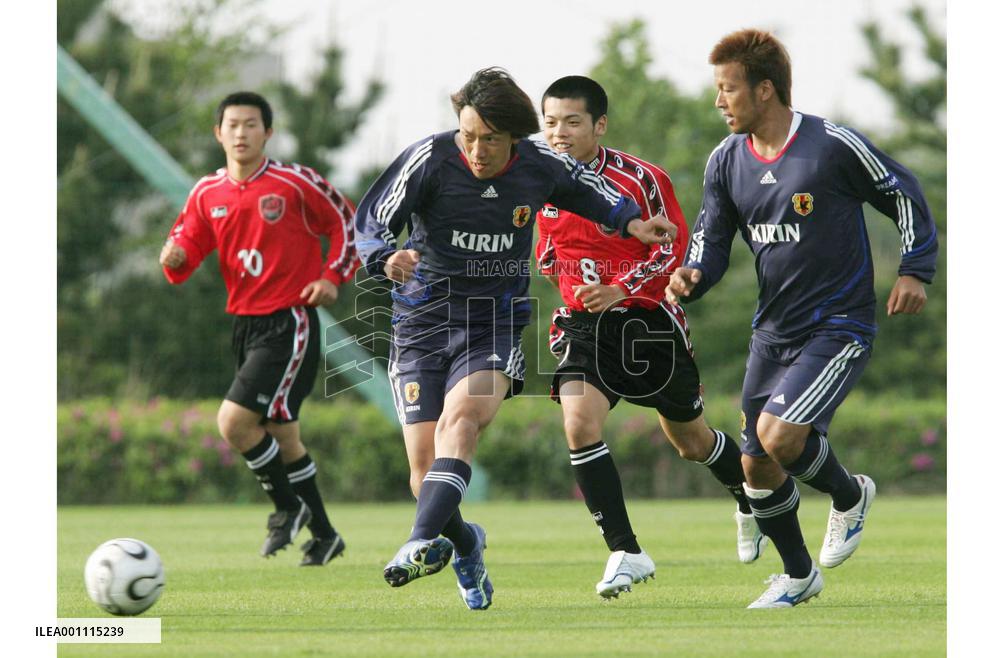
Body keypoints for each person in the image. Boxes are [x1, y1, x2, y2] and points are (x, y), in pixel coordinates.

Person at [354, 67, 675, 610]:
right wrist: (387, 257)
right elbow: (371, 221)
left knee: (462, 424)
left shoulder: (539, 166)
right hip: (421, 325)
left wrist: (631, 224)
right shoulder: (429, 160)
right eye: (469, 136)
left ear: (514, 139)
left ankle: (416, 541)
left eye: (492, 140)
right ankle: (466, 542)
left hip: (493, 322)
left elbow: (590, 191)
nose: (478, 150)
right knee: (421, 472)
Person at [666, 30, 938, 608]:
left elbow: (904, 192)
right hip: (773, 330)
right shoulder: (725, 160)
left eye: (728, 88)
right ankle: (797, 575)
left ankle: (848, 494)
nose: (719, 101)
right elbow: (711, 244)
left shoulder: (831, 145)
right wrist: (692, 276)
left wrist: (915, 269)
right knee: (754, 465)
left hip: (838, 323)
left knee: (779, 435)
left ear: (765, 90)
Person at [536, 75, 766, 599]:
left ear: (599, 124)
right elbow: (548, 251)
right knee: (578, 420)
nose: (560, 133)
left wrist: (619, 289)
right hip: (584, 324)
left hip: (648, 323)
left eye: (572, 122)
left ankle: (751, 495)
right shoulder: (540, 180)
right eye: (550, 122)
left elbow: (673, 250)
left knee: (691, 441)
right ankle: (626, 550)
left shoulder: (641, 179)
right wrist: (571, 285)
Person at [159, 91, 359, 566]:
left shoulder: (294, 182)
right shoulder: (207, 192)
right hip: (245, 325)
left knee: (233, 422)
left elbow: (348, 223)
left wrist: (332, 276)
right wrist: (175, 257)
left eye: (251, 125)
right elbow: (187, 240)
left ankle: (287, 509)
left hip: (289, 321)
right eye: (232, 124)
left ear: (268, 133)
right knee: (283, 436)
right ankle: (326, 535)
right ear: (218, 133)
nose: (241, 133)